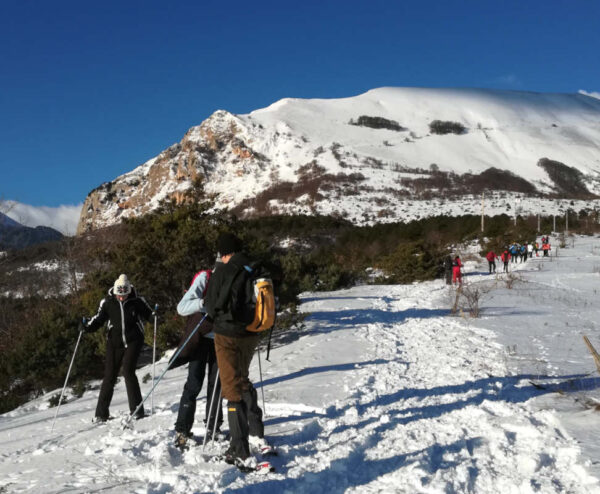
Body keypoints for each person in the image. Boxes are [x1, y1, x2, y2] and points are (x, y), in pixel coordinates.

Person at [204, 233, 269, 468]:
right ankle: (253, 432)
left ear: (223, 252)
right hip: (251, 334)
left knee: (231, 389)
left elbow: (210, 306)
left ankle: (239, 449)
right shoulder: (255, 266)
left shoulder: (222, 270)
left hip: (227, 335)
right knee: (241, 380)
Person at [81, 274, 154, 422]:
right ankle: (101, 414)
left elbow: (149, 314)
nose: (122, 298)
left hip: (134, 340)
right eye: (119, 295)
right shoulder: (108, 302)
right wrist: (86, 327)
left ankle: (137, 411)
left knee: (128, 371)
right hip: (114, 342)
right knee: (109, 376)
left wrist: (155, 317)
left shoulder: (137, 300)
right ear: (115, 292)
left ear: (129, 291)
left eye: (124, 295)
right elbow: (98, 319)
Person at [173, 265, 224, 450]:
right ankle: (182, 430)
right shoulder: (205, 277)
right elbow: (182, 308)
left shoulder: (234, 278)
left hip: (222, 338)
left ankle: (214, 428)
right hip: (200, 338)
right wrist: (203, 303)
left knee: (217, 385)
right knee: (194, 383)